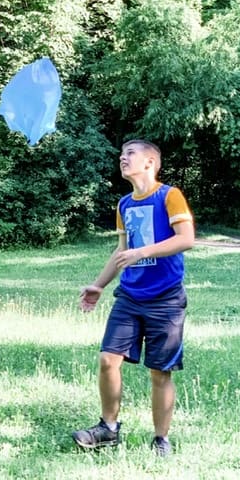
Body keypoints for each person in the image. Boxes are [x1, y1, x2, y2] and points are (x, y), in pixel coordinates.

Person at [72, 139, 194, 457]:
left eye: (131, 153)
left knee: (159, 372)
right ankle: (108, 430)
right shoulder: (124, 204)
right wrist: (98, 285)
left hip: (165, 299)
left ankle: (161, 440)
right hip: (129, 296)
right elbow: (121, 250)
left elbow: (186, 239)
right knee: (107, 360)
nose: (122, 158)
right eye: (122, 153)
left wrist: (143, 251)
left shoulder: (170, 196)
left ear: (151, 162)